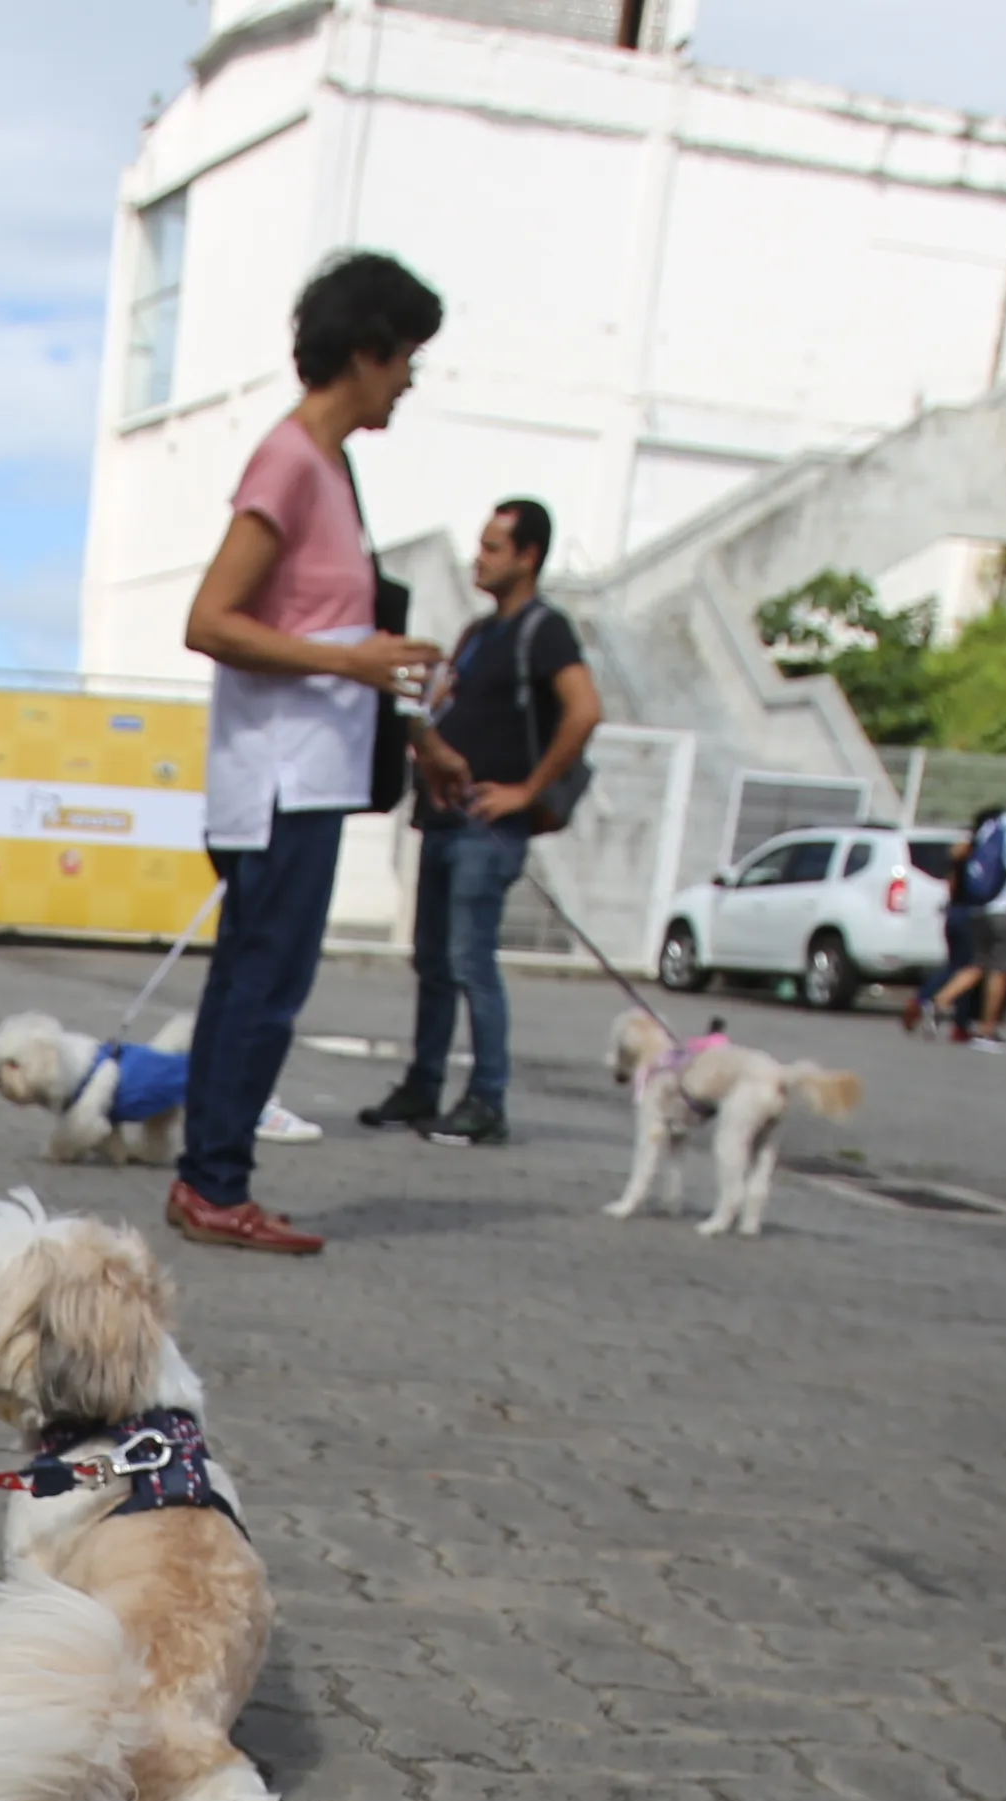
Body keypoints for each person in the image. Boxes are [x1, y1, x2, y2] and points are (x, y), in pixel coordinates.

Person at [173, 251, 450, 1257]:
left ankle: (212, 1175)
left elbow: (336, 634)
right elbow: (210, 619)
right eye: (406, 357)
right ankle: (214, 1182)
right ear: (366, 352)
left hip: (319, 768)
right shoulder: (290, 460)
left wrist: (408, 720)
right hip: (278, 772)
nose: (411, 380)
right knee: (263, 979)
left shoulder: (334, 470)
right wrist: (360, 663)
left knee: (259, 975)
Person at [363, 493, 600, 1149]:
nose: (480, 558)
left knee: (471, 962)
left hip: (485, 828)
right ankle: (423, 1083)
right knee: (433, 962)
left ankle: (487, 1096)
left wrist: (526, 790)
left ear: (528, 557)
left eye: (494, 547)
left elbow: (584, 710)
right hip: (443, 820)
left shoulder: (543, 631)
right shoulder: (476, 634)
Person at [909, 783, 1006, 1043]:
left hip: (976, 908)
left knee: (975, 965)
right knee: (1000, 970)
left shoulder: (990, 825)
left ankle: (936, 1003)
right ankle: (987, 1028)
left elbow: (956, 861)